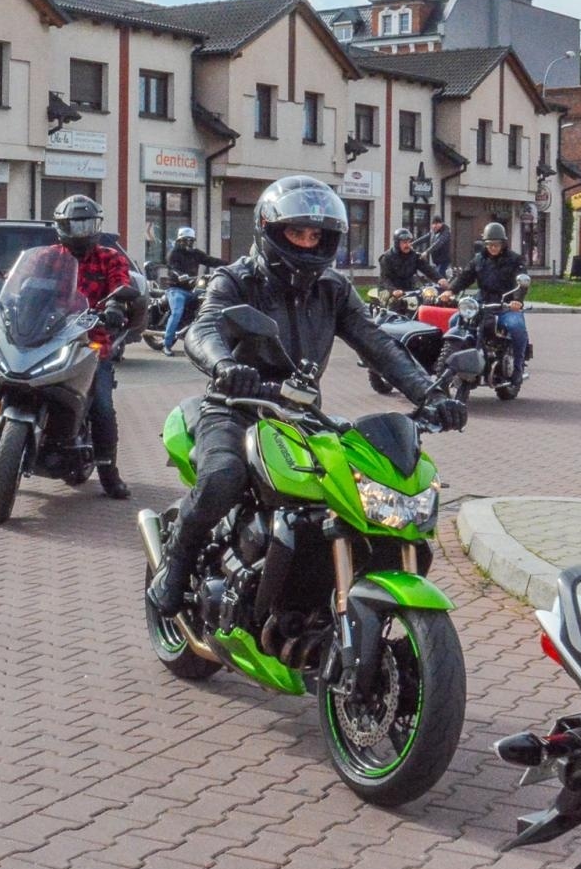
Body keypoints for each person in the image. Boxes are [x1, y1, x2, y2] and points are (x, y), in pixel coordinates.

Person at [145, 176, 467, 617]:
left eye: (316, 235)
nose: (307, 242)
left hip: (299, 413)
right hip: (236, 406)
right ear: (270, 230)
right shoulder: (235, 280)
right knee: (222, 476)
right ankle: (176, 566)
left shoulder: (332, 288)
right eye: (297, 232)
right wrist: (224, 367)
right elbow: (205, 329)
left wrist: (430, 393)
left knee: (355, 491)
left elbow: (377, 344)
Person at [0, 194, 133, 499]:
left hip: (90, 341)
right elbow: (18, 286)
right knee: (4, 380)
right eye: (74, 224)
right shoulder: (44, 257)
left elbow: (121, 285)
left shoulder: (110, 259)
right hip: (42, 336)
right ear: (61, 226)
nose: (81, 230)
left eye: (87, 223)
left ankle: (108, 471)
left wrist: (116, 306)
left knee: (101, 405)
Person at [448, 221, 529, 390]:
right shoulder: (479, 259)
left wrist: (517, 300)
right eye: (489, 244)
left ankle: (518, 368)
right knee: (455, 320)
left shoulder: (514, 260)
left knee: (516, 326)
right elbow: (465, 277)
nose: (493, 247)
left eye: (496, 244)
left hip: (504, 303)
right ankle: (453, 365)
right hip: (482, 301)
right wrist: (450, 291)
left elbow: (521, 282)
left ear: (503, 243)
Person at [162, 226, 224, 356]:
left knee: (207, 303)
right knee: (177, 312)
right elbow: (172, 267)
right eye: (186, 240)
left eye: (191, 240)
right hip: (176, 289)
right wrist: (179, 274)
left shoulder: (195, 253)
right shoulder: (174, 253)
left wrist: (230, 264)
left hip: (192, 290)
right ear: (180, 240)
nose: (189, 243)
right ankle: (166, 345)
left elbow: (210, 260)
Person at [377, 227, 444, 310]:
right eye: (404, 243)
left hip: (408, 289)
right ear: (397, 243)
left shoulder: (414, 256)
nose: (408, 245)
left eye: (409, 242)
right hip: (388, 289)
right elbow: (385, 279)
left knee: (424, 301)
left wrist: (440, 279)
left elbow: (427, 269)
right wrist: (393, 291)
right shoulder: (387, 257)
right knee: (393, 305)